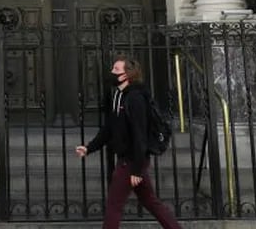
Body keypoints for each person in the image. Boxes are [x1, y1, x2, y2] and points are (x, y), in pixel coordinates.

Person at [75, 56, 182, 229]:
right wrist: (89, 148)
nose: (111, 73)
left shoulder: (135, 99)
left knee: (114, 205)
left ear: (127, 75)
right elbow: (109, 128)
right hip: (131, 161)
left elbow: (140, 136)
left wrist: (137, 169)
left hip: (130, 162)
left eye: (116, 70)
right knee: (150, 201)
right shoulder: (119, 96)